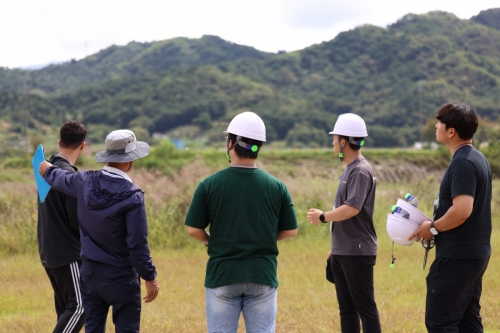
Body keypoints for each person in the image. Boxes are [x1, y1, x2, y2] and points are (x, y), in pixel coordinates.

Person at [185, 111, 298, 333]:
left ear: (230, 143)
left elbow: (193, 230)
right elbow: (290, 231)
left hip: (223, 275)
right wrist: (264, 237)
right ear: (258, 147)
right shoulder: (277, 187)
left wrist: (212, 241)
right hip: (262, 275)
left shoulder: (209, 185)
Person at [39, 129, 160, 333]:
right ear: (130, 160)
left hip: (90, 274)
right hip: (121, 276)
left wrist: (46, 169)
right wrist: (150, 277)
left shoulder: (83, 181)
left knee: (93, 329)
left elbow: (60, 178)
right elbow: (137, 244)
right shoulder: (133, 196)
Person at [410, 102, 492, 333]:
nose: (436, 126)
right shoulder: (477, 158)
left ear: (451, 131)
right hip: (474, 254)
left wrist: (433, 227)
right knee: (467, 321)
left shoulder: (463, 163)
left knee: (440, 323)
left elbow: (462, 210)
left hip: (458, 256)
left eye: (440, 123)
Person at [307, 113, 381, 333]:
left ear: (343, 141)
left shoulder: (360, 170)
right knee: (347, 310)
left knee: (365, 309)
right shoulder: (352, 169)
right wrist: (336, 247)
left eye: (334, 138)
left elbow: (352, 208)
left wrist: (322, 216)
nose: (332, 143)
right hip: (345, 250)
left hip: (357, 251)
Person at [37, 121, 86, 333]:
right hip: (68, 254)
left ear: (59, 142)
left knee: (65, 310)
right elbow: (78, 219)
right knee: (81, 307)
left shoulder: (44, 170)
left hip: (49, 251)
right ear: (82, 146)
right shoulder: (68, 176)